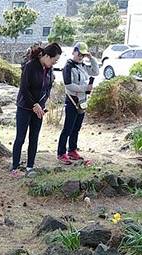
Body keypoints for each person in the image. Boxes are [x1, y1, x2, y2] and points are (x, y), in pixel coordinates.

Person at [10, 43, 62, 177]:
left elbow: (48, 88)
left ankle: (30, 166)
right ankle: (14, 167)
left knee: (34, 137)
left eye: (56, 61)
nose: (54, 63)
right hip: (25, 107)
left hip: (39, 109)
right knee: (20, 137)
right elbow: (24, 88)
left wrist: (41, 105)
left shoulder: (49, 69)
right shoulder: (30, 66)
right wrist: (34, 104)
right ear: (46, 56)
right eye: (54, 60)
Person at [58, 41, 98, 164]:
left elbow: (95, 72)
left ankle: (72, 150)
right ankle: (61, 153)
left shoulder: (83, 65)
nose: (81, 56)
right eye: (79, 53)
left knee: (77, 127)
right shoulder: (68, 66)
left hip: (82, 100)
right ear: (74, 52)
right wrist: (85, 88)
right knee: (68, 128)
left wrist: (91, 58)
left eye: (83, 54)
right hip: (72, 101)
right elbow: (68, 85)